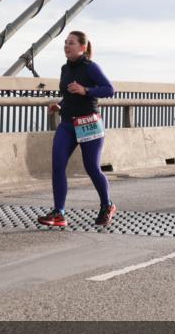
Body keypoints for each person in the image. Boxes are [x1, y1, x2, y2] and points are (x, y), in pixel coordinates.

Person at [38, 31, 117, 228]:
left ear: (82, 47)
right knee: (57, 164)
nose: (66, 46)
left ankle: (107, 205)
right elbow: (68, 95)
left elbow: (109, 89)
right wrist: (60, 105)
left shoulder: (91, 68)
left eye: (71, 43)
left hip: (88, 123)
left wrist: (86, 90)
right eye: (65, 42)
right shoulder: (65, 69)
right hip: (67, 124)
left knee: (91, 167)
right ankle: (59, 213)